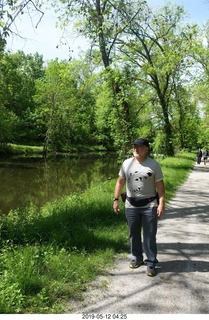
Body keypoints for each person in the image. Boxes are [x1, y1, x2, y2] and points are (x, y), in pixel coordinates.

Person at [113, 138, 165, 277]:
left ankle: (151, 262)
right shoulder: (126, 163)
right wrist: (116, 199)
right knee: (133, 233)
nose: (136, 149)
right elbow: (120, 182)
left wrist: (161, 203)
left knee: (149, 235)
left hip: (149, 205)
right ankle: (137, 258)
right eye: (135, 147)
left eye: (140, 147)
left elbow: (160, 186)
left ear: (146, 149)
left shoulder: (154, 165)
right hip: (131, 205)